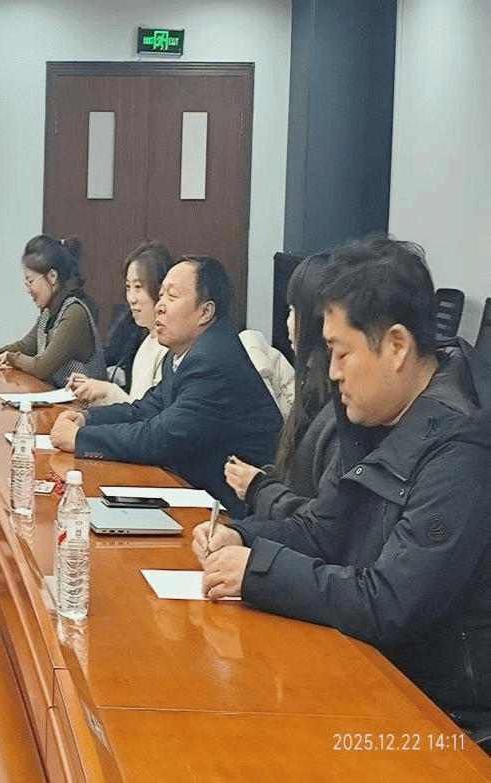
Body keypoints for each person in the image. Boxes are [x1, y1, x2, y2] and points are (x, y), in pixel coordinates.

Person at [196, 236, 491, 732]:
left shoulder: (462, 448)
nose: (331, 373)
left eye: (340, 352)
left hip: (445, 718)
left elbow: (390, 603)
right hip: (376, 673)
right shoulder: (377, 415)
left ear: (396, 346)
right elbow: (322, 530)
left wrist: (258, 572)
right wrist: (242, 537)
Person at [49, 256, 282, 518]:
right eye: (160, 295)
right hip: (195, 493)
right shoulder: (182, 353)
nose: (159, 306)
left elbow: (161, 438)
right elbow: (146, 409)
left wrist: (80, 439)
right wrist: (86, 418)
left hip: (237, 514)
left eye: (171, 297)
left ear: (205, 312)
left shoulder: (213, 360)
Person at [223, 253, 339, 518]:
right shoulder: (311, 385)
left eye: (294, 311)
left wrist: (258, 488)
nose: (288, 321)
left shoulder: (334, 404)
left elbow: (318, 521)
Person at [0, 235, 106, 387]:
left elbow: (42, 367)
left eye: (30, 281)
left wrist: (11, 358)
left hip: (88, 402)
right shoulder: (48, 313)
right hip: (64, 399)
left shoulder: (74, 313)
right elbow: (25, 347)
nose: (28, 290)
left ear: (52, 276)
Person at [69, 241, 174, 406]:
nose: (131, 298)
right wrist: (92, 391)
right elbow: (131, 410)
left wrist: (109, 391)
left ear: (161, 290)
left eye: (138, 287)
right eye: (128, 287)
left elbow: (148, 416)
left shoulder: (169, 350)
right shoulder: (147, 342)